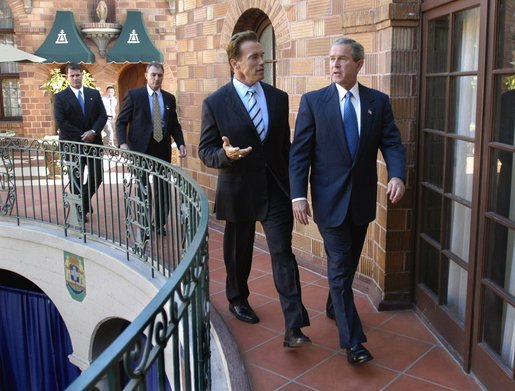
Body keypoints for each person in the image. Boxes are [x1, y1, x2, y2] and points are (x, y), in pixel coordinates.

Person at [289, 37, 406, 364]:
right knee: (341, 267)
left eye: (342, 59)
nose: (335, 65)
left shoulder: (377, 102)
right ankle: (353, 342)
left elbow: (393, 144)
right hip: (327, 202)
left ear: (359, 64)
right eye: (331, 59)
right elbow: (299, 155)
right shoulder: (314, 102)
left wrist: (397, 175)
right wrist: (298, 195)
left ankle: (332, 305)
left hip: (361, 202)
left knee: (348, 263)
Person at [199, 31, 310, 348]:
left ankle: (294, 326)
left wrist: (296, 191)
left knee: (282, 253)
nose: (262, 61)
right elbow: (205, 151)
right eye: (254, 57)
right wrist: (226, 156)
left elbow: (285, 149)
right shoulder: (215, 103)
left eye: (263, 55)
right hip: (238, 188)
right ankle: (237, 299)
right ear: (235, 63)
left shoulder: (278, 98)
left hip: (275, 189)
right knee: (239, 252)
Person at [116, 62, 187, 235]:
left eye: (159, 75)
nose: (156, 78)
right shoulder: (134, 95)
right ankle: (145, 224)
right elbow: (121, 121)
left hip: (162, 149)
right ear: (146, 75)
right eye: (153, 74)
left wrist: (180, 143)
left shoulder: (169, 98)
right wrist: (123, 143)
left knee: (162, 189)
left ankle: (160, 223)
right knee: (143, 189)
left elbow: (174, 125)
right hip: (140, 150)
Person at [54, 62, 107, 223]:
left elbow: (102, 116)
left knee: (96, 177)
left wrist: (93, 132)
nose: (75, 78)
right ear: (67, 77)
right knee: (75, 179)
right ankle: (79, 211)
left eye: (78, 75)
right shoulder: (60, 97)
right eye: (72, 75)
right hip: (72, 145)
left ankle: (82, 201)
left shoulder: (94, 94)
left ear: (83, 75)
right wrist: (84, 135)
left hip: (94, 144)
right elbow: (61, 122)